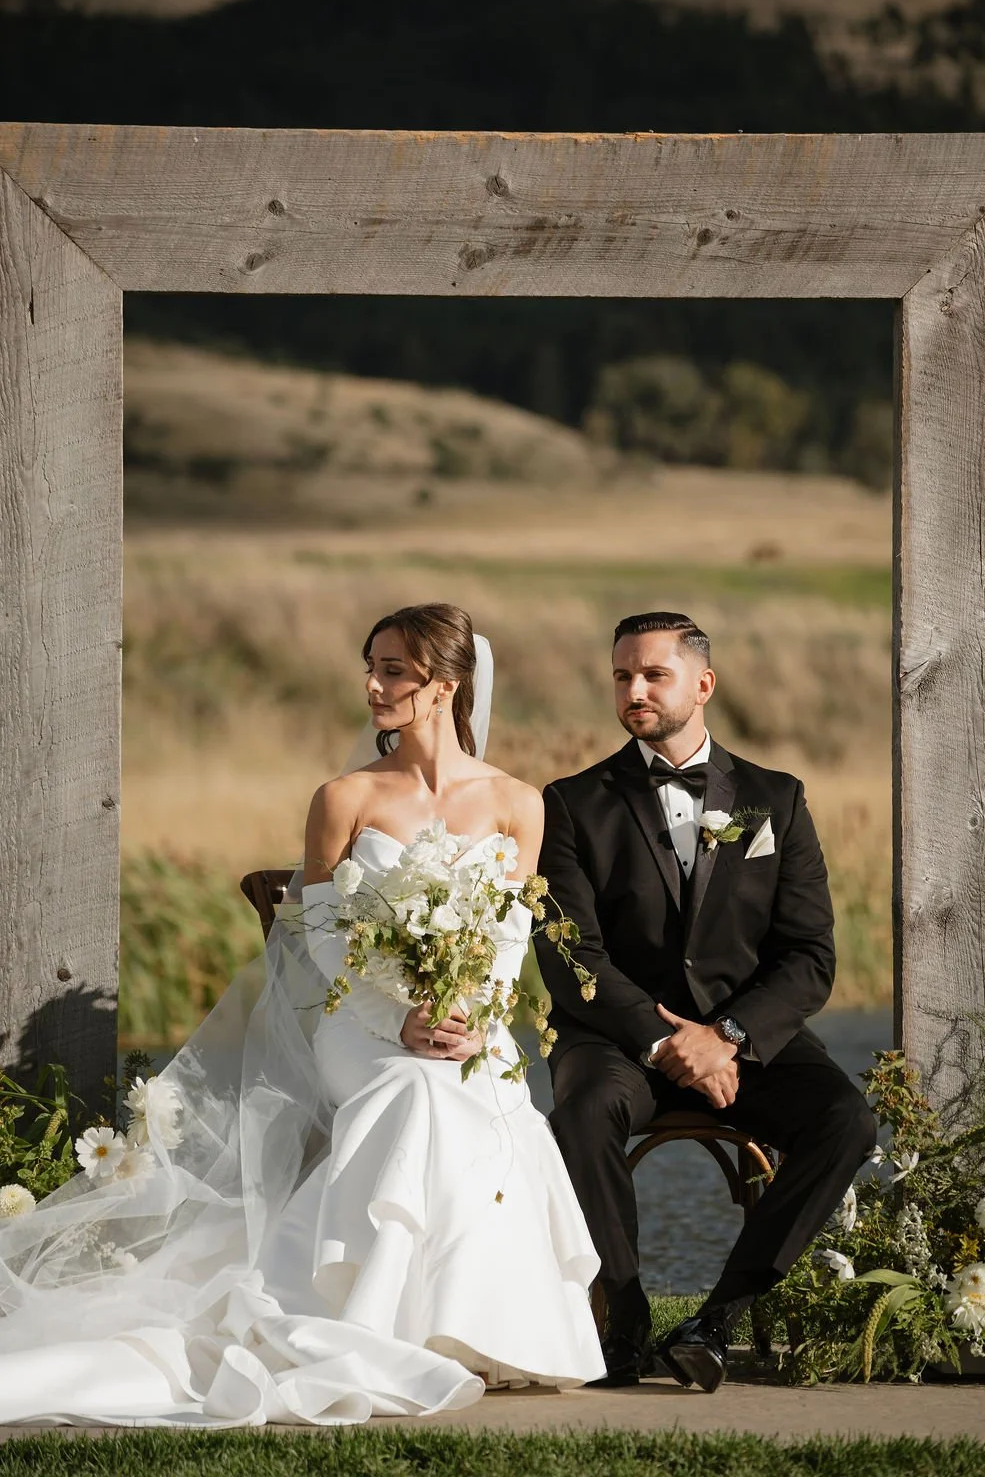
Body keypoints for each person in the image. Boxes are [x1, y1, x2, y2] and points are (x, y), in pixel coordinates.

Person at [0, 603, 603, 1426]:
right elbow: (319, 937)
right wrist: (399, 1023)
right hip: (361, 1027)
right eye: (372, 666)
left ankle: (469, 1333)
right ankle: (376, 1327)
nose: (373, 685)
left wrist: (465, 1012)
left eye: (394, 670)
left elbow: (509, 937)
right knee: (416, 1092)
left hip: (473, 1028)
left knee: (460, 1088)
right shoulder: (343, 797)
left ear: (445, 687)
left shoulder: (518, 803)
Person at [534, 610, 876, 1393]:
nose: (634, 690)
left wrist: (724, 1037)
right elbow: (569, 954)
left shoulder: (775, 799)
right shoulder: (572, 802)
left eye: (653, 674)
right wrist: (663, 1044)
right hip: (619, 1041)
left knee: (846, 1120)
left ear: (704, 684)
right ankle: (623, 1320)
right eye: (622, 675)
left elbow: (809, 956)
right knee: (581, 1113)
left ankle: (716, 1323)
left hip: (745, 1040)